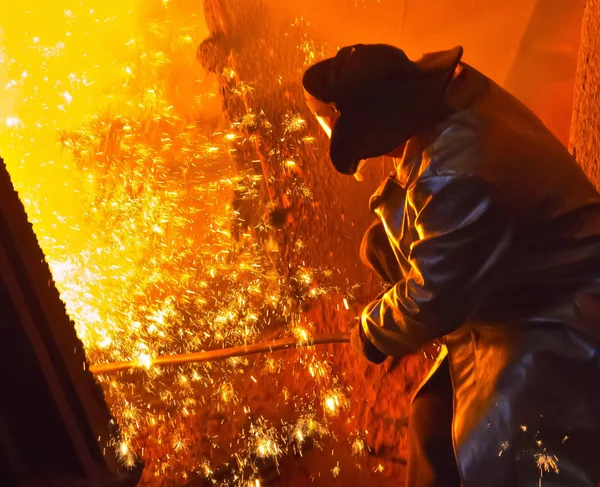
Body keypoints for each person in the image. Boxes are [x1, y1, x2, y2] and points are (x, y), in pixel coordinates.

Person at [302, 44, 600, 487]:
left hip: (556, 309)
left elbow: (432, 297)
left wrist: (371, 332)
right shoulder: (453, 92)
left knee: (500, 449)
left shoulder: (456, 176)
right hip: (529, 269)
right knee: (432, 415)